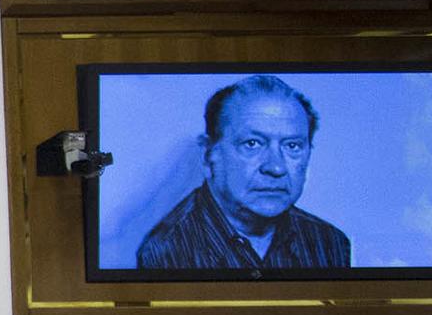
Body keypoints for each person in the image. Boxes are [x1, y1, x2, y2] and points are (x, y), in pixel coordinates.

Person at [136, 74, 350, 271]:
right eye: (253, 143)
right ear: (210, 154)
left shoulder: (329, 242)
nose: (276, 168)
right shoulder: (166, 250)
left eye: (292, 146)